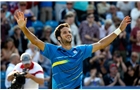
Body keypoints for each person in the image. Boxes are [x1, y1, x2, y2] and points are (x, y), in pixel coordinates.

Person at [14, 11, 131, 89]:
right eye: (65, 32)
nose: (68, 34)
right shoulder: (52, 50)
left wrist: (119, 30)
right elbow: (35, 40)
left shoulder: (80, 50)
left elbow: (101, 44)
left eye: (69, 32)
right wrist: (24, 28)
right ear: (59, 38)